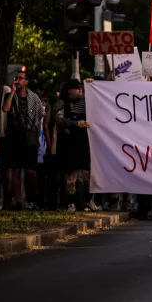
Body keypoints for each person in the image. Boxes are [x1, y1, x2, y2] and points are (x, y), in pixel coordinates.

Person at [0, 69, 43, 210]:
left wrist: (36, 137)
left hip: (29, 136)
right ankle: (18, 202)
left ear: (26, 82)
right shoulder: (10, 95)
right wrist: (12, 92)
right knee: (16, 170)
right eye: (16, 78)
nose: (17, 80)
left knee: (31, 171)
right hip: (14, 137)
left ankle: (33, 200)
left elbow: (39, 117)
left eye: (20, 78)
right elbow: (5, 109)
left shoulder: (34, 98)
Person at [55, 78, 96, 213]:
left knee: (87, 174)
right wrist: (76, 124)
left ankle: (88, 200)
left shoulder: (86, 102)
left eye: (81, 88)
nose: (80, 91)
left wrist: (92, 84)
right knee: (70, 175)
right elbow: (59, 120)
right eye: (77, 88)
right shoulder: (62, 103)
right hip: (69, 143)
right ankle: (70, 203)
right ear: (69, 90)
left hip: (84, 142)